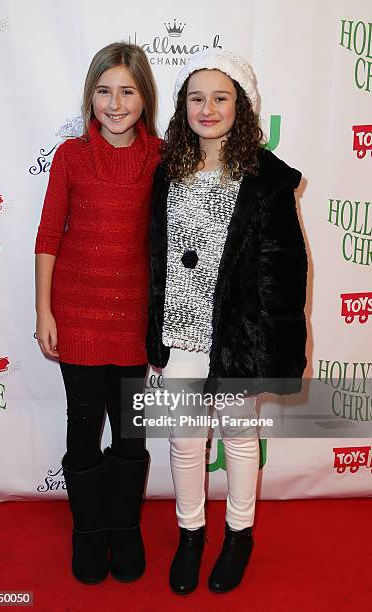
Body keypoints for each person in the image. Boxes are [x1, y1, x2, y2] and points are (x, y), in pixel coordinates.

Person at [147, 48, 307, 594]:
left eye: (220, 97)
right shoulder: (166, 171)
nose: (208, 108)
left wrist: (271, 347)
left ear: (242, 106)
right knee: (185, 439)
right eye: (197, 98)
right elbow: (153, 255)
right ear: (182, 107)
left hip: (237, 335)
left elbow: (284, 269)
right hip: (180, 331)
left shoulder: (268, 179)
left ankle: (239, 533)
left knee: (240, 437)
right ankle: (191, 532)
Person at [34, 42, 161, 585]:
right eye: (104, 91)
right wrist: (44, 310)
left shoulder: (161, 158)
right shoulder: (69, 156)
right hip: (78, 315)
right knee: (83, 428)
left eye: (127, 91)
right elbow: (47, 237)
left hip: (135, 320)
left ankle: (124, 529)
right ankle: (88, 533)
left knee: (131, 433)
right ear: (90, 96)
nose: (115, 103)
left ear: (144, 97)